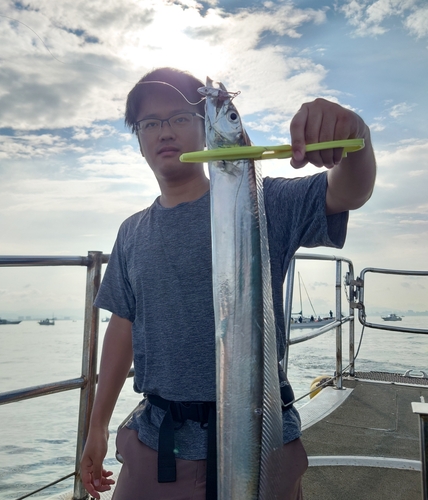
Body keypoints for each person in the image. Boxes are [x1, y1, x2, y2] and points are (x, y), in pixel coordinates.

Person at [80, 67, 376, 500]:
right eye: (150, 123)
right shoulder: (132, 233)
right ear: (138, 139)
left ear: (204, 130)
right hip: (158, 447)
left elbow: (350, 191)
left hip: (262, 442)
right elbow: (122, 326)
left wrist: (357, 137)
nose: (165, 131)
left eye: (180, 117)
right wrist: (97, 427)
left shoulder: (266, 203)